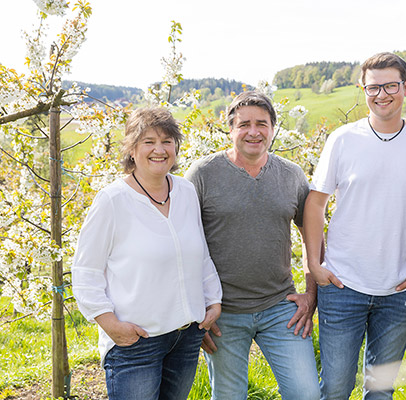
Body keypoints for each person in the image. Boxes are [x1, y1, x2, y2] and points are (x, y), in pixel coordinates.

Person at [303, 52, 406, 399]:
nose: (382, 95)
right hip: (342, 285)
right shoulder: (342, 139)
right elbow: (315, 205)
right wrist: (314, 265)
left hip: (400, 288)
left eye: (390, 86)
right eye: (373, 87)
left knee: (381, 390)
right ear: (362, 90)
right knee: (336, 387)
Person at [72, 107, 222, 400]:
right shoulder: (112, 201)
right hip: (136, 342)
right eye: (148, 141)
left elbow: (199, 254)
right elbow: (86, 271)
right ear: (131, 149)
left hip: (185, 336)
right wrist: (110, 325)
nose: (159, 149)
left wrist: (212, 300)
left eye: (167, 141)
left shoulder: (186, 192)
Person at [185, 91, 320, 400]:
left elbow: (311, 235)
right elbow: (183, 244)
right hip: (223, 313)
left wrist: (310, 294)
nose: (254, 132)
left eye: (262, 123)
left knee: (307, 394)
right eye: (244, 124)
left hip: (279, 307)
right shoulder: (202, 175)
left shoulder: (292, 176)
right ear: (231, 129)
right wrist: (198, 312)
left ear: (273, 129)